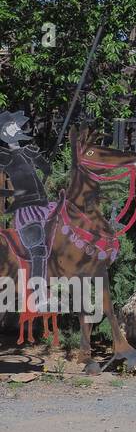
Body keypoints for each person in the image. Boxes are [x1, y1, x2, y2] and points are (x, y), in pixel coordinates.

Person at [0, 111, 54, 311]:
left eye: (17, 127)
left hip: (44, 207)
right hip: (26, 211)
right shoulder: (4, 156)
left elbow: (47, 169)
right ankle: (39, 299)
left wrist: (40, 158)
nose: (16, 130)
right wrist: (9, 193)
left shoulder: (28, 152)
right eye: (12, 127)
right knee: (38, 251)